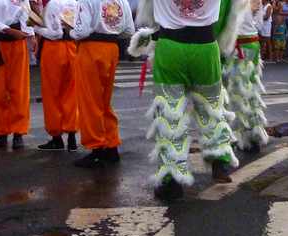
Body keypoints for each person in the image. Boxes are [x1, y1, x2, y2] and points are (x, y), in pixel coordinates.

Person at [130, 0, 248, 201]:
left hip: (171, 47)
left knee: (170, 114)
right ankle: (220, 158)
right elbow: (230, 13)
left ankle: (171, 181)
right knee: (212, 105)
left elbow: (147, 13)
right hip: (205, 48)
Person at [68, 0, 134, 168]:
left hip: (91, 47)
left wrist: (70, 32)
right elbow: (129, 30)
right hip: (112, 48)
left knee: (90, 101)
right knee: (104, 101)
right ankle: (111, 146)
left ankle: (96, 148)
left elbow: (81, 31)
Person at [0, 0, 35, 149]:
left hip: (18, 44)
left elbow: (26, 12)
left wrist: (31, 35)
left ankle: (19, 133)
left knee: (19, 89)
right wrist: (8, 30)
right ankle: (1, 133)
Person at [33, 0, 79, 151]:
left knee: (52, 94)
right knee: (70, 92)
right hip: (72, 48)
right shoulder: (74, 3)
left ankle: (56, 136)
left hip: (54, 49)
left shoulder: (52, 4)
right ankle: (72, 136)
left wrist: (36, 28)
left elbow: (55, 33)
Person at [224, 0, 269, 154]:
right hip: (252, 43)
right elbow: (259, 24)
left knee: (236, 94)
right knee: (251, 91)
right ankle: (254, 136)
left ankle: (238, 138)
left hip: (239, 46)